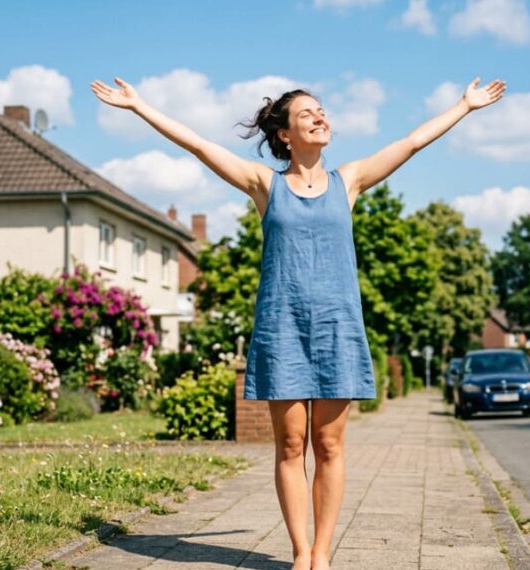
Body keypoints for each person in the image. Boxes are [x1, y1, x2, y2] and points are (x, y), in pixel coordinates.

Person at [91, 74, 505, 570]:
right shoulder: (265, 185)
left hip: (337, 328)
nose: (320, 116)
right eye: (307, 113)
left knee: (329, 444)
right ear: (285, 134)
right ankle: (300, 552)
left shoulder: (347, 181)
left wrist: (463, 105)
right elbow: (199, 145)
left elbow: (411, 142)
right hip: (282, 328)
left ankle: (323, 555)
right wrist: (141, 107)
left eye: (321, 110)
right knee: (290, 445)